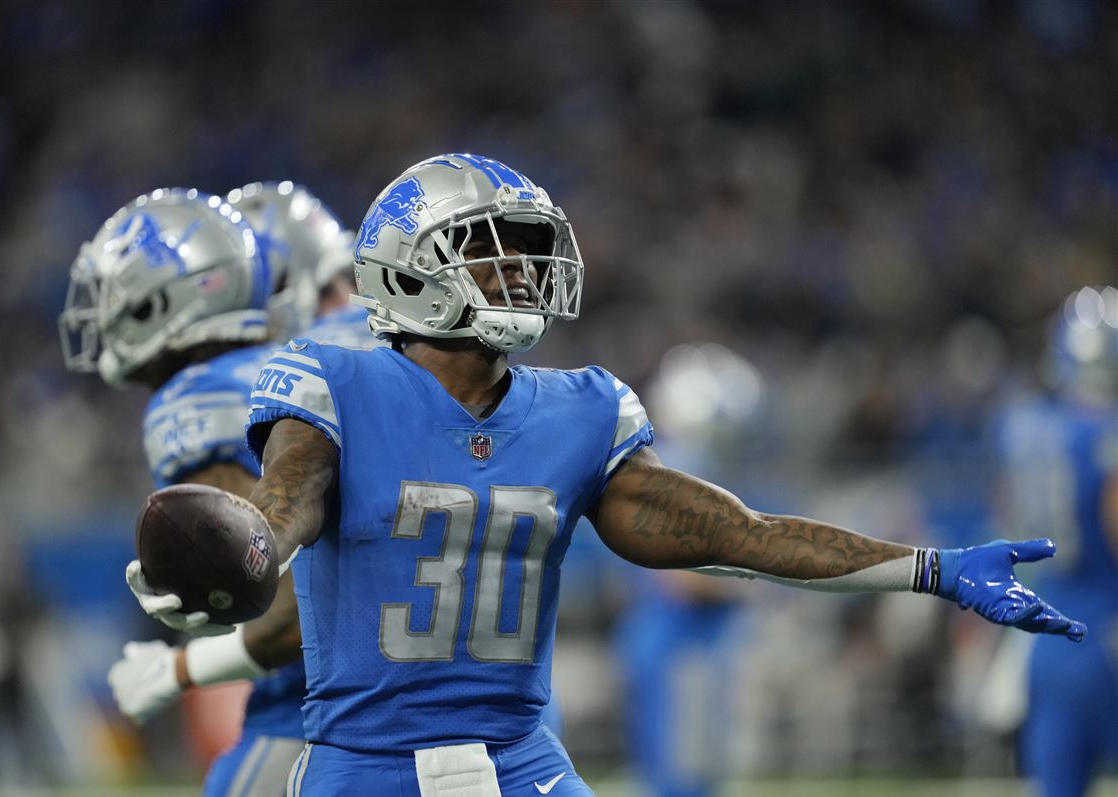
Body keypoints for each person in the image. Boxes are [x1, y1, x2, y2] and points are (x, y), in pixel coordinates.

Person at [128, 154, 1085, 797]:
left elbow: (739, 537)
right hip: (364, 766)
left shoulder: (579, 407)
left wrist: (932, 566)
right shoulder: (332, 379)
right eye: (490, 255)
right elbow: (287, 505)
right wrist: (235, 554)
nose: (521, 274)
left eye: (527, 253)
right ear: (409, 273)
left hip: (520, 760)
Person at [62, 184, 369, 797]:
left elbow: (300, 613)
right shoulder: (396, 363)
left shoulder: (206, 396)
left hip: (323, 722)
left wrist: (178, 669)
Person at [995, 286, 1117, 797]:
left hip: (1046, 632)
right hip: (1106, 632)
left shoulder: (1025, 427)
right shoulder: (1105, 434)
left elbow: (1005, 515)